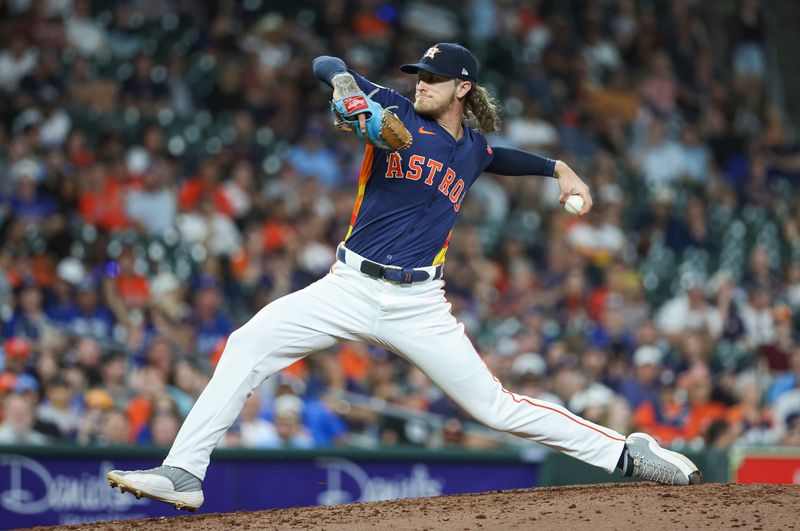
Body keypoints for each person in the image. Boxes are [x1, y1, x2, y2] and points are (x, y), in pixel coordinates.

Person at [108, 42, 701, 511]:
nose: (422, 82)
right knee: (248, 345)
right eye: (419, 73)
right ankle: (184, 472)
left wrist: (560, 169)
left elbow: (504, 159)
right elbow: (326, 63)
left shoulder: (473, 150)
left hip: (420, 303)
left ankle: (627, 454)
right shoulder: (392, 107)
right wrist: (343, 84)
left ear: (462, 89)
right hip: (347, 286)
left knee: (496, 409)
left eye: (434, 77)